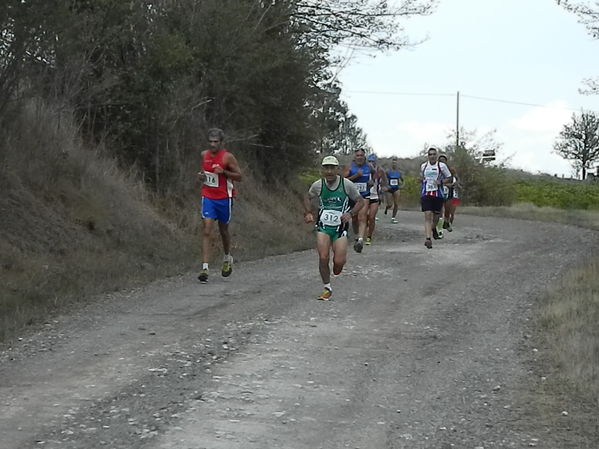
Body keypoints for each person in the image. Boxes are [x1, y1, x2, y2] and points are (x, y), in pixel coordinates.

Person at [304, 155, 365, 300]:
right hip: (323, 226)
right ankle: (327, 287)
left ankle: (337, 269)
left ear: (337, 169)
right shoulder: (318, 185)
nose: (329, 171)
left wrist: (350, 214)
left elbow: (360, 201)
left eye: (332, 168)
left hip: (340, 228)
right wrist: (308, 212)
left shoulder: (347, 184)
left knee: (338, 262)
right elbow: (307, 196)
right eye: (326, 168)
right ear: (323, 170)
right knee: (323, 257)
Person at [197, 128, 242, 283]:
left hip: (224, 198)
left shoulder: (228, 157)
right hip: (208, 196)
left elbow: (240, 176)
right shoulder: (204, 155)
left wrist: (224, 173)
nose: (212, 145)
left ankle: (227, 257)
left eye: (216, 142)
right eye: (210, 142)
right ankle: (205, 268)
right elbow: (204, 173)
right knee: (207, 230)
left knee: (223, 230)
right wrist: (201, 176)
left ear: (221, 143)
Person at [420, 146, 452, 249]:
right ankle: (428, 239)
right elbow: (422, 177)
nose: (432, 156)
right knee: (427, 216)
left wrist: (441, 182)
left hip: (438, 194)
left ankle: (433, 229)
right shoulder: (424, 166)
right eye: (430, 154)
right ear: (428, 156)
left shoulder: (441, 166)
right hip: (426, 194)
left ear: (436, 156)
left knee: (437, 217)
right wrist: (420, 180)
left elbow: (449, 177)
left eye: (434, 154)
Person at [343, 148, 371, 253]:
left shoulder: (369, 167)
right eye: (357, 155)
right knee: (354, 218)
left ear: (364, 157)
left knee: (362, 217)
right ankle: (357, 236)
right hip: (352, 197)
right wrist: (356, 176)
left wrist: (372, 182)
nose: (359, 157)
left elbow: (376, 174)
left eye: (361, 155)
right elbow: (343, 180)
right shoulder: (350, 167)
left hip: (364, 195)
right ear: (354, 157)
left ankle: (360, 239)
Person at [364, 153, 387, 245]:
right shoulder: (364, 169)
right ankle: (363, 232)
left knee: (372, 217)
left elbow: (385, 181)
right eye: (369, 161)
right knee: (364, 217)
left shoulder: (379, 170)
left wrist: (383, 188)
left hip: (375, 196)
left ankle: (369, 236)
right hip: (365, 196)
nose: (370, 163)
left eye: (372, 161)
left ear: (375, 162)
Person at [384, 156, 404, 224]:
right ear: (391, 163)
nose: (394, 164)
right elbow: (384, 180)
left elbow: (403, 180)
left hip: (396, 188)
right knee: (390, 204)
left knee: (396, 203)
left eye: (395, 162)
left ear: (397, 164)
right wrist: (386, 186)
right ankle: (387, 208)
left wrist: (402, 185)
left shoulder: (399, 172)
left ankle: (393, 218)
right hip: (389, 189)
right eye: (393, 162)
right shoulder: (387, 171)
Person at [443, 165, 462, 231]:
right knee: (447, 210)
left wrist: (457, 185)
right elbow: (443, 184)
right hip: (448, 196)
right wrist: (448, 185)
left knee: (452, 212)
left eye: (453, 171)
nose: (452, 172)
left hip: (455, 197)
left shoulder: (456, 178)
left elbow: (460, 187)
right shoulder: (447, 178)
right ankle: (446, 224)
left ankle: (449, 224)